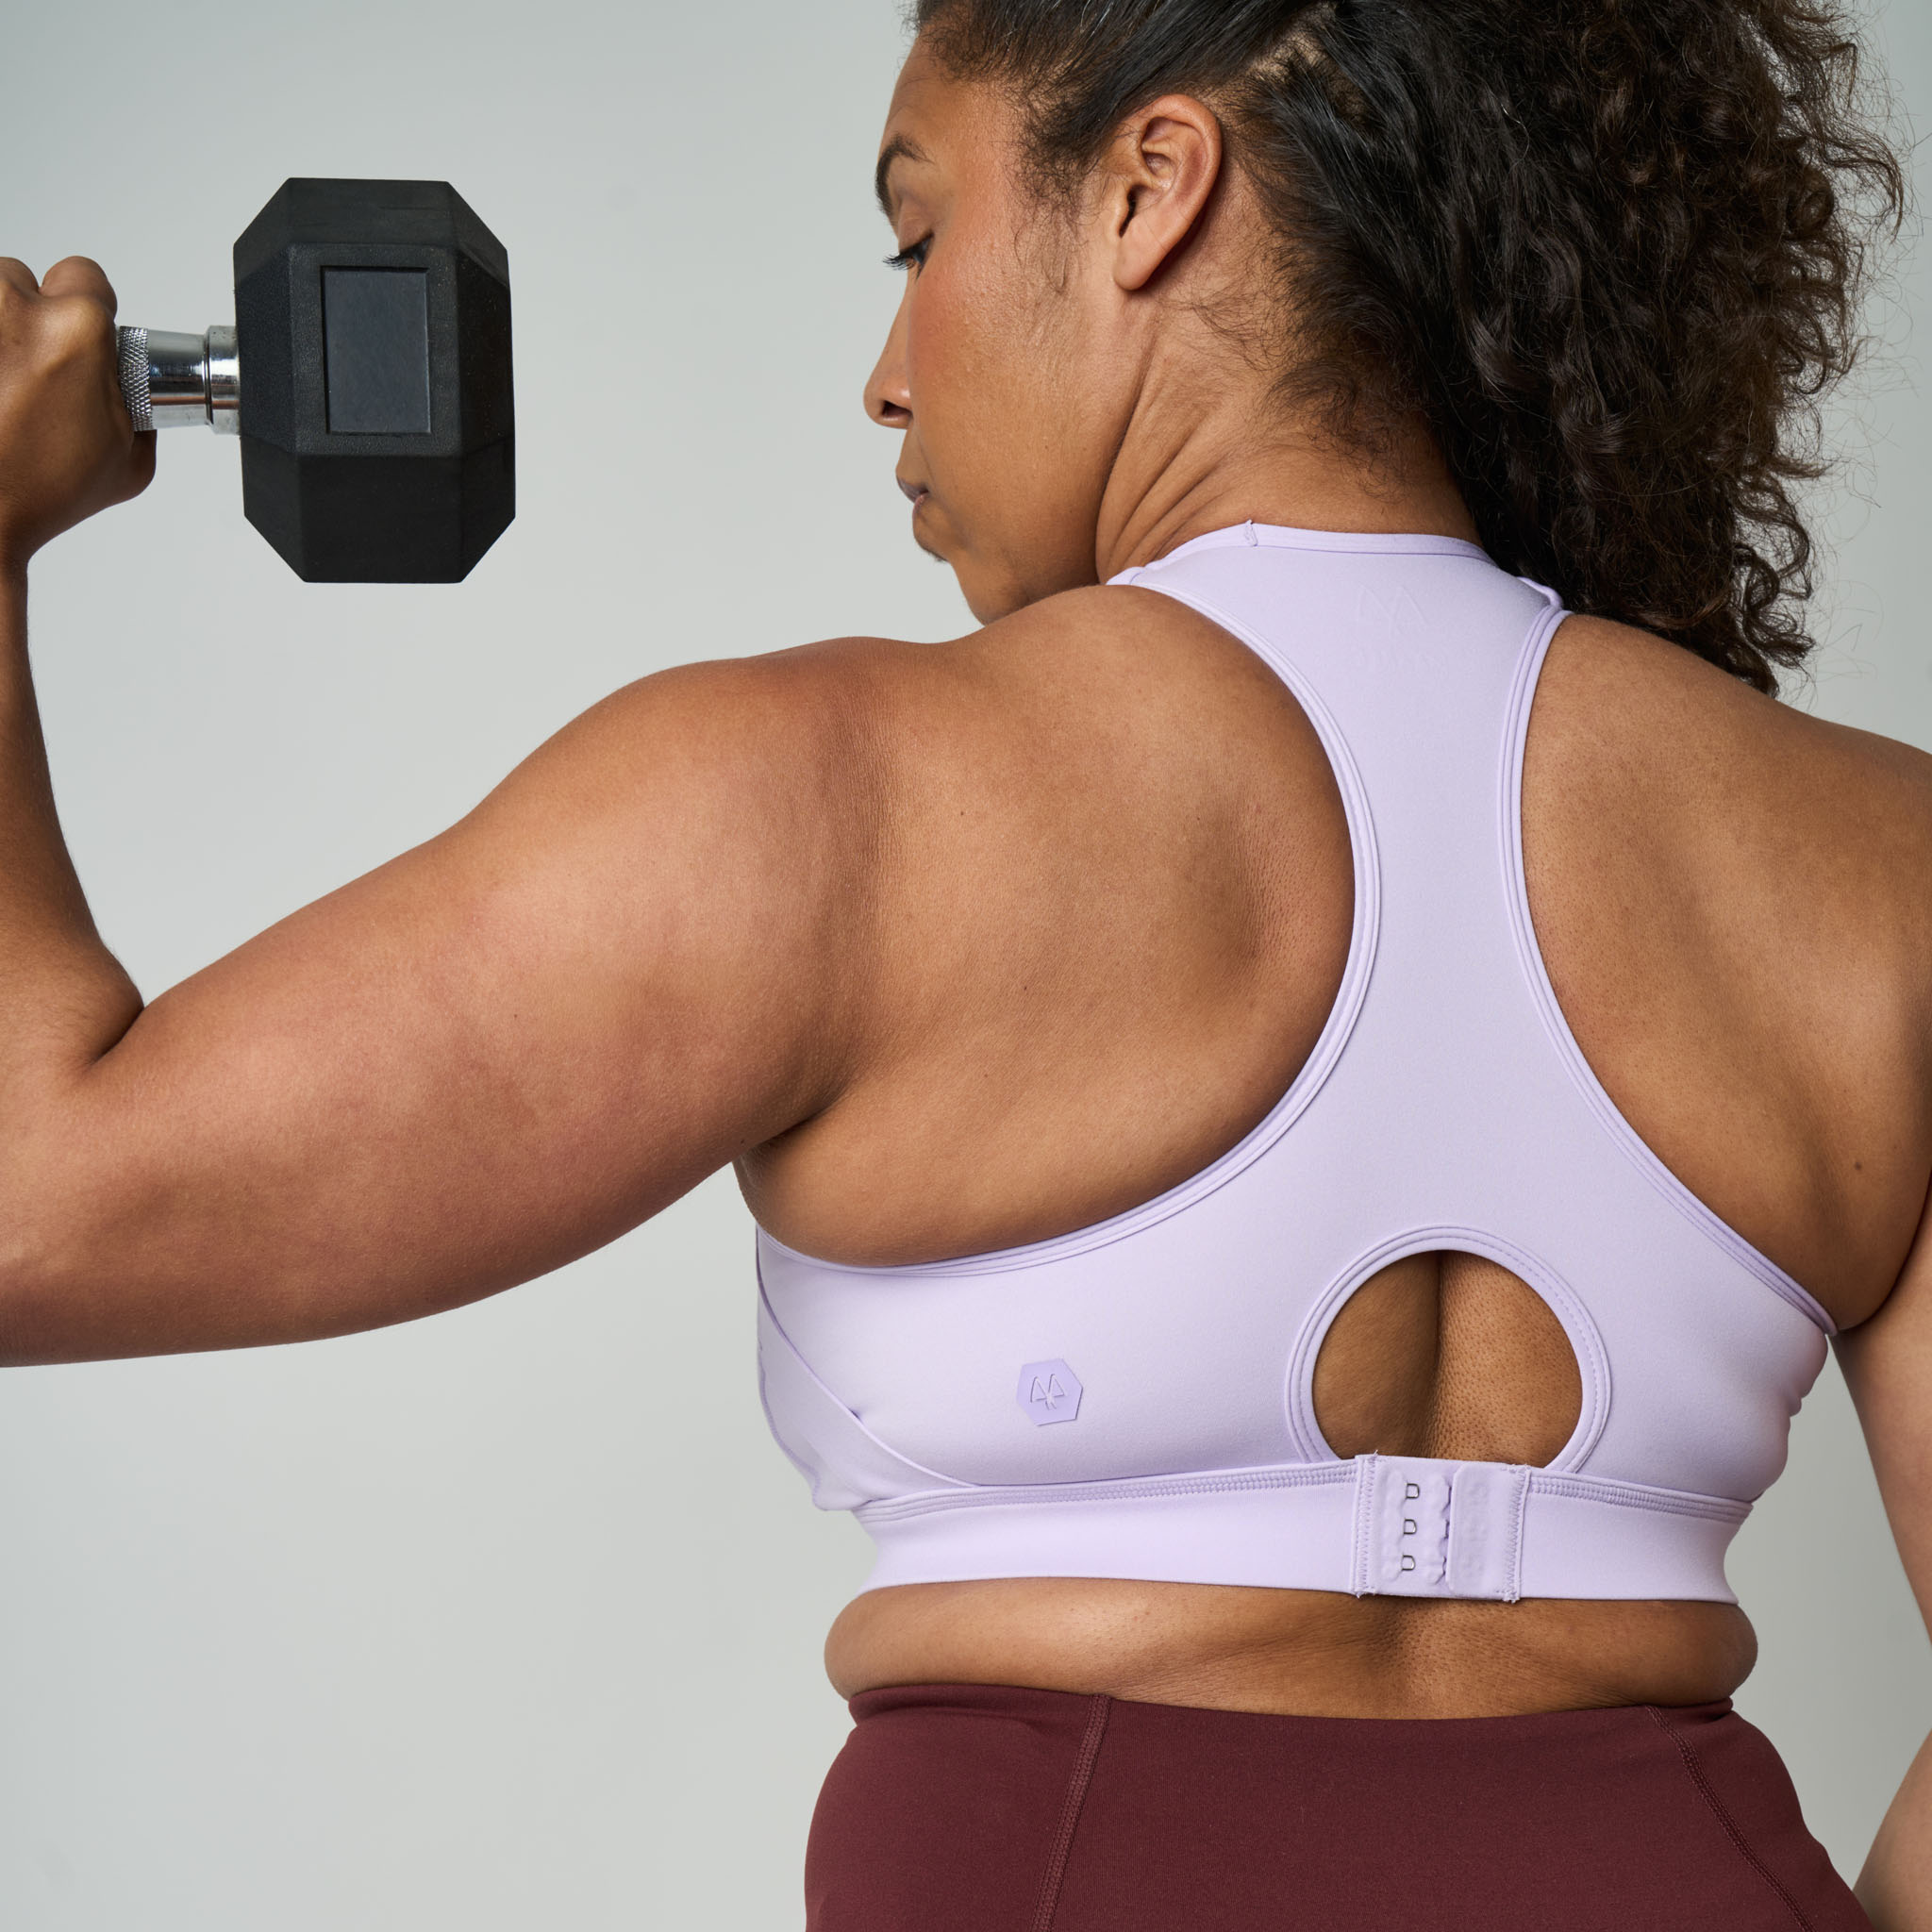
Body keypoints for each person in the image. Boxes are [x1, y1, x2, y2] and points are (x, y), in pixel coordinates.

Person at [0, 0, 1924, 1924]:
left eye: (920, 236)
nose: (888, 372)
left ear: (1154, 191)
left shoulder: (835, 800)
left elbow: (33, 1203)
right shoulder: (1868, 865)